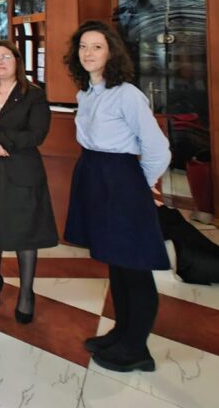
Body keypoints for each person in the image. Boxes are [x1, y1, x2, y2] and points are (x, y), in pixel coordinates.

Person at [63, 20, 170, 373]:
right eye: (83, 47)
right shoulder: (87, 94)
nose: (88, 53)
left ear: (111, 53)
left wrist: (142, 184)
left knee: (134, 266)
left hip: (121, 180)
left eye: (97, 46)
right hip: (94, 177)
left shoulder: (127, 94)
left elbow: (158, 147)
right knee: (117, 262)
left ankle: (137, 348)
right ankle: (122, 332)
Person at [0, 40, 57, 324]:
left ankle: (26, 293)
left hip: (20, 172)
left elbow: (37, 134)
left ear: (17, 60)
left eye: (5, 57)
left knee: (24, 231)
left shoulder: (33, 94)